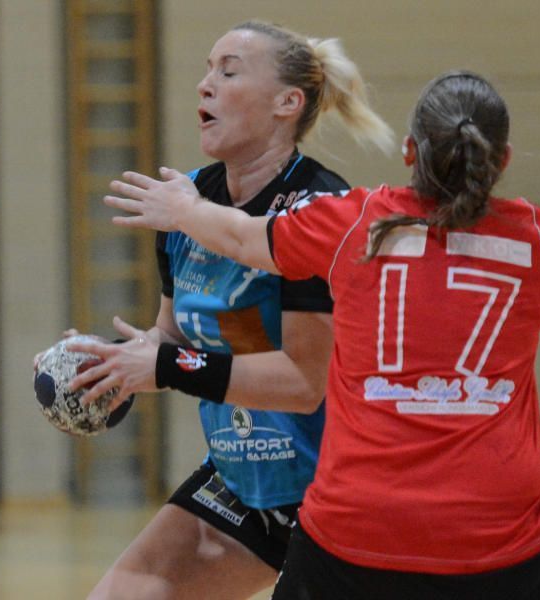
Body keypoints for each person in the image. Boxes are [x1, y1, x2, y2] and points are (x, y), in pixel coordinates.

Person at [101, 71, 540, 599]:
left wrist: (185, 209)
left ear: (410, 151)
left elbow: (241, 237)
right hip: (501, 529)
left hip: (355, 527)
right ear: (502, 159)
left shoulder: (354, 221)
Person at [63, 20, 393, 600]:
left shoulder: (317, 211)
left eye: (229, 71)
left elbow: (303, 383)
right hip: (245, 480)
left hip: (340, 495)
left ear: (287, 103)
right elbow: (176, 337)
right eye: (207, 69)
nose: (204, 85)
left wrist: (164, 368)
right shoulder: (186, 202)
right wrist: (118, 363)